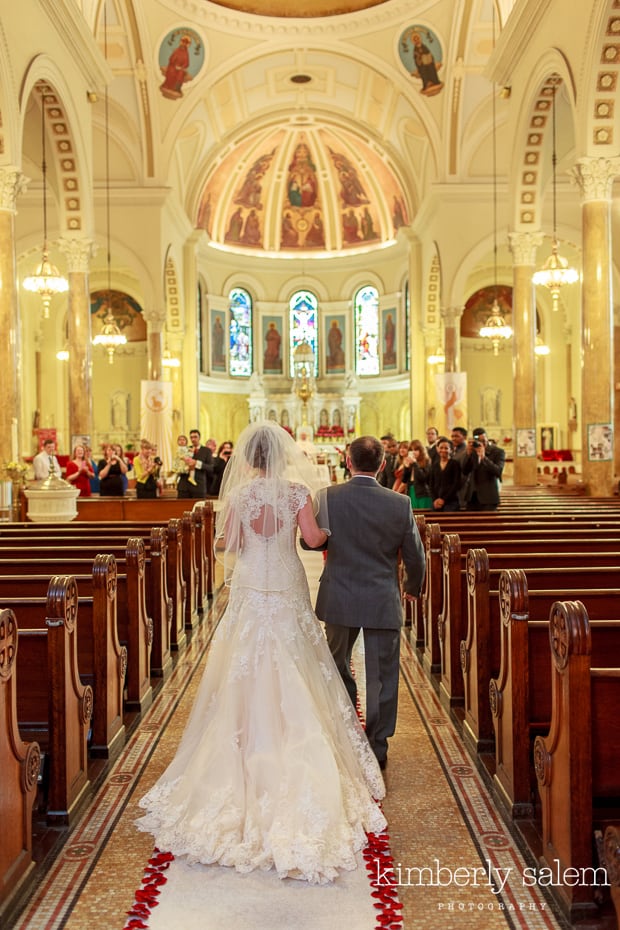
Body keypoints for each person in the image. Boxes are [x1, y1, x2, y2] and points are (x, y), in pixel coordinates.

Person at [136, 421, 386, 883]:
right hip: (286, 586)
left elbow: (227, 544)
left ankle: (244, 740)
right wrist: (325, 534)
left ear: (249, 458)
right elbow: (312, 541)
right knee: (296, 661)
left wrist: (226, 539)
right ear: (283, 455)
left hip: (251, 586)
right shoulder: (295, 493)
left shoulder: (238, 498)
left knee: (244, 666)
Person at [309, 435, 426, 769]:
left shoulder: (327, 496)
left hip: (339, 595)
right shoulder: (399, 504)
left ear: (348, 461)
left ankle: (346, 730)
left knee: (336, 664)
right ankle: (376, 745)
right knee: (382, 675)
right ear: (383, 465)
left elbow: (313, 543)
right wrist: (413, 586)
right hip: (381, 598)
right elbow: (414, 555)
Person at [462, 427, 505, 511]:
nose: (481, 443)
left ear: (487, 438)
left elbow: (498, 471)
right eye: (479, 441)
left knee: (489, 523)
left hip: (488, 497)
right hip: (472, 496)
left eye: (483, 440)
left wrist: (483, 457)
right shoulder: (473, 451)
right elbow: (465, 471)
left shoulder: (498, 452)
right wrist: (468, 455)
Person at [178, 428, 213, 499]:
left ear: (199, 437)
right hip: (184, 487)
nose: (193, 439)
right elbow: (178, 466)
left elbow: (211, 468)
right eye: (191, 437)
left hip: (198, 487)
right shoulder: (185, 449)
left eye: (195, 437)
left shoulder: (206, 451)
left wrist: (197, 463)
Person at [428, 436, 461, 511]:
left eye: (446, 448)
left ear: (451, 450)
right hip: (436, 501)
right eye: (441, 448)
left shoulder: (455, 464)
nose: (443, 450)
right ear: (437, 449)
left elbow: (456, 484)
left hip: (451, 501)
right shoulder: (435, 465)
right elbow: (431, 484)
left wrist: (443, 499)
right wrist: (435, 499)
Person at [401, 439, 432, 509]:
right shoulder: (411, 462)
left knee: (423, 514)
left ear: (421, 451)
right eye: (411, 450)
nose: (413, 452)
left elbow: (423, 478)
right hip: (411, 490)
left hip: (423, 493)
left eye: (416, 450)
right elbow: (404, 480)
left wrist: (415, 463)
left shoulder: (426, 461)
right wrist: (406, 467)